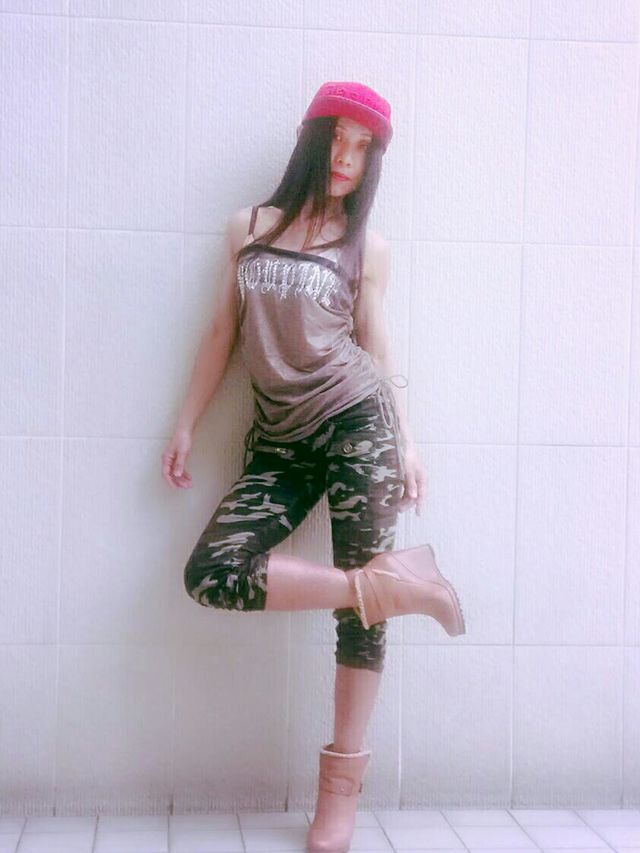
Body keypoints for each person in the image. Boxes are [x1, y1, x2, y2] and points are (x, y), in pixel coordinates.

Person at [161, 81, 466, 853]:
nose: (347, 158)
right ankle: (394, 584)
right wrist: (186, 422)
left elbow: (377, 343)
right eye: (339, 138)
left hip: (357, 421)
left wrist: (408, 439)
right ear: (312, 137)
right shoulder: (249, 228)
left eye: (364, 149)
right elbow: (222, 333)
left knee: (359, 622)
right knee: (213, 570)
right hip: (279, 443)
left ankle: (339, 795)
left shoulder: (369, 247)